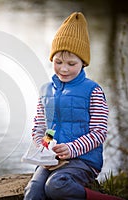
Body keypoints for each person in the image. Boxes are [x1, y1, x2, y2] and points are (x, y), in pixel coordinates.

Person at [23, 12, 123, 200]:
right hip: (52, 160)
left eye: (71, 63)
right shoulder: (46, 90)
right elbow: (41, 127)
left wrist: (72, 148)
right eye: (58, 62)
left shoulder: (92, 91)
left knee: (55, 186)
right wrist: (42, 147)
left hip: (84, 160)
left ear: (83, 63)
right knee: (34, 191)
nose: (64, 69)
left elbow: (99, 132)